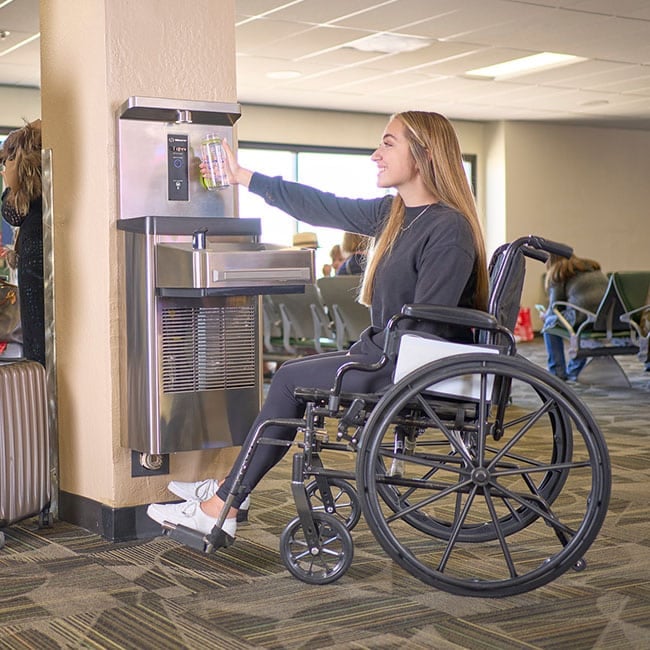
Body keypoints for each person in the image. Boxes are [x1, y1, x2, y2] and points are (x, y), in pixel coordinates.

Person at [147, 110, 489, 538]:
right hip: (385, 354)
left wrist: (371, 355)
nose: (375, 155)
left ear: (422, 154)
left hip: (407, 365)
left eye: (387, 143)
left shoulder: (448, 229)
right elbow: (321, 206)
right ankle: (229, 489)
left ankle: (223, 504)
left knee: (289, 378)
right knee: (293, 376)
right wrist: (242, 176)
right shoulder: (398, 214)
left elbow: (429, 325)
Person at [0, 119, 45, 366]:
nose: (3, 169)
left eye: (8, 160)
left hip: (40, 358)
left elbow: (11, 210)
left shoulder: (35, 224)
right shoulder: (38, 212)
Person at [541, 253, 608, 381]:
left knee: (549, 324)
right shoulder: (591, 267)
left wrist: (545, 315)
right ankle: (573, 371)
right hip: (606, 317)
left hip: (581, 317)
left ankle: (557, 373)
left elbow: (554, 308)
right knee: (579, 333)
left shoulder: (558, 272)